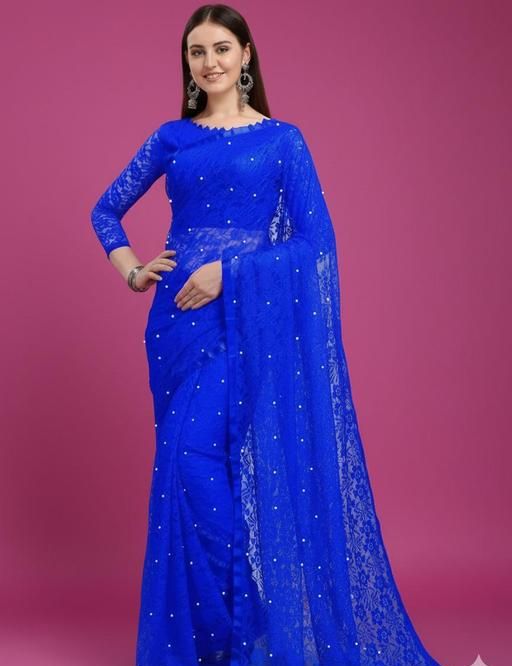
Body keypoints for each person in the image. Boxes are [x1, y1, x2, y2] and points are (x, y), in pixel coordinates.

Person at [90, 5, 443, 665]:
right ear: (187, 63)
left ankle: (247, 631)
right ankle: (227, 641)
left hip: (246, 328)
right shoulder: (172, 137)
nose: (210, 62)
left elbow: (316, 245)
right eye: (197, 52)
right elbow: (105, 209)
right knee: (186, 475)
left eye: (222, 48)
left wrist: (230, 274)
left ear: (246, 54)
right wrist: (134, 270)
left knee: (210, 470)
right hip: (177, 328)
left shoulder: (284, 142)